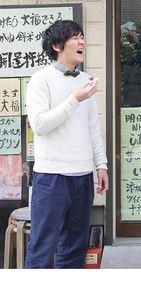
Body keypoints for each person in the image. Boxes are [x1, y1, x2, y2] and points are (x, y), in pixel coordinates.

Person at [25, 19, 108, 269]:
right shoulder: (40, 79)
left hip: (82, 176)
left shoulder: (86, 80)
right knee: (42, 246)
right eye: (75, 37)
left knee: (75, 247)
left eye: (82, 37)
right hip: (52, 177)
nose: (82, 42)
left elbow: (93, 127)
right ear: (56, 45)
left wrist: (101, 165)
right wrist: (75, 99)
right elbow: (40, 125)